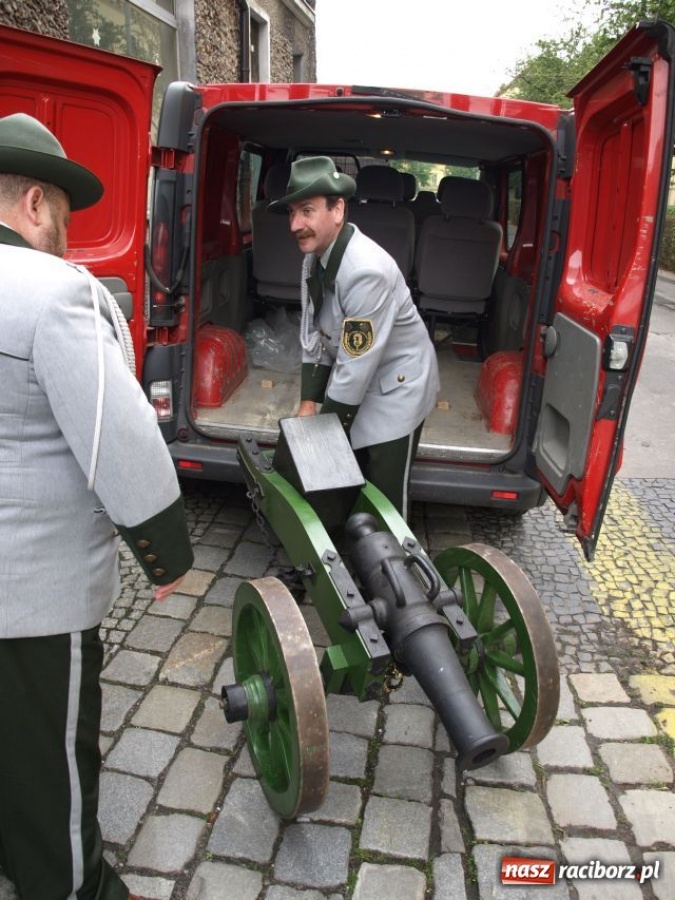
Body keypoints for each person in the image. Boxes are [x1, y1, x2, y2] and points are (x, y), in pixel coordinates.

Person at [0, 113, 194, 900]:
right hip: (31, 596)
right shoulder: (55, 294)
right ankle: (72, 885)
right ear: (38, 204)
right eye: (65, 221)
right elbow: (122, 441)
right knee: (50, 755)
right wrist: (166, 554)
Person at [270, 155, 440, 519]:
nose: (296, 224)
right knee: (342, 474)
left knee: (385, 501)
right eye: (292, 213)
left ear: (337, 210)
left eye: (307, 211)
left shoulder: (366, 271)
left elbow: (354, 369)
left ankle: (392, 567)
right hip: (357, 373)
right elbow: (314, 332)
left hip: (397, 387)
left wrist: (322, 438)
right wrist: (308, 401)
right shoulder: (315, 255)